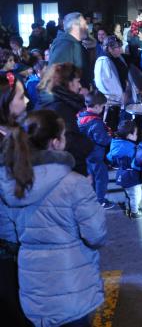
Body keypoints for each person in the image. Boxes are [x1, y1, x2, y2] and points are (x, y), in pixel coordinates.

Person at [0, 110, 106, 327]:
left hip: (33, 284)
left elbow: (9, 234)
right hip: (72, 282)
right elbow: (96, 234)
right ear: (56, 142)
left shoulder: (12, 184)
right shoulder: (75, 183)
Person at [0, 71, 30, 326]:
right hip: (9, 247)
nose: (27, 101)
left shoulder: (14, 133)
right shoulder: (5, 143)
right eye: (21, 97)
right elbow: (15, 194)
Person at [37, 62, 94, 176]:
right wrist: (88, 143)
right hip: (66, 172)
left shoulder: (54, 102)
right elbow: (71, 146)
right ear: (68, 83)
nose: (79, 86)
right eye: (77, 81)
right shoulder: (61, 108)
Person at [78, 90, 114, 209]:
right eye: (103, 107)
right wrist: (111, 138)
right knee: (101, 179)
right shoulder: (96, 123)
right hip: (96, 156)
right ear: (97, 106)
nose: (103, 109)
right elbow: (102, 140)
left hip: (86, 154)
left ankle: (92, 197)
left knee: (91, 177)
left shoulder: (81, 117)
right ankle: (100, 201)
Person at [107, 120, 142, 219]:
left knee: (129, 193)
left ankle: (128, 208)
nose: (137, 135)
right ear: (129, 135)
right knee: (136, 195)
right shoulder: (132, 148)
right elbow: (135, 164)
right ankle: (134, 212)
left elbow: (109, 157)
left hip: (121, 173)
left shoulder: (115, 143)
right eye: (136, 134)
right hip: (131, 176)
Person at [48, 12, 92, 88]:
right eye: (84, 24)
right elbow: (55, 76)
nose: (87, 27)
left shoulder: (72, 44)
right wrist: (78, 90)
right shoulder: (65, 45)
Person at [94, 36, 129, 106]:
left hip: (122, 98)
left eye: (120, 46)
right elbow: (103, 84)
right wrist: (119, 97)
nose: (121, 49)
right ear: (110, 49)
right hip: (112, 102)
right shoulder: (103, 62)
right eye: (118, 47)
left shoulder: (118, 57)